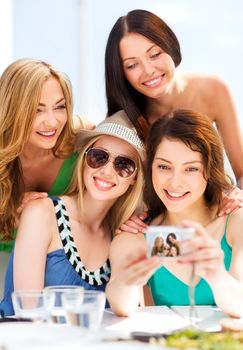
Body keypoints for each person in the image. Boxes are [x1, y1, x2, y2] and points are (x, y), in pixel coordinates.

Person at [0, 110, 148, 316]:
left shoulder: (122, 235)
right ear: (84, 158)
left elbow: (133, 310)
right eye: (99, 157)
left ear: (135, 178)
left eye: (124, 165)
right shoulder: (42, 213)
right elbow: (29, 313)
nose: (106, 171)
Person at [106, 109, 243, 318]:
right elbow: (123, 306)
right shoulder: (137, 235)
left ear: (210, 169)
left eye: (191, 169)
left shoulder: (235, 222)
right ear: (150, 166)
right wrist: (128, 279)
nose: (175, 182)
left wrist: (217, 274)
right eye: (164, 167)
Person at [105, 9, 243, 188]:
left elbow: (241, 172)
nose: (148, 70)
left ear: (170, 46)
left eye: (154, 54)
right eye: (132, 65)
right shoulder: (123, 122)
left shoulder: (213, 90)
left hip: (216, 203)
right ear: (121, 74)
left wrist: (238, 198)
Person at [0, 58, 88, 252]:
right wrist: (9, 217)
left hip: (57, 265)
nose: (51, 122)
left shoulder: (78, 139)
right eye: (36, 110)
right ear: (13, 111)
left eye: (60, 107)